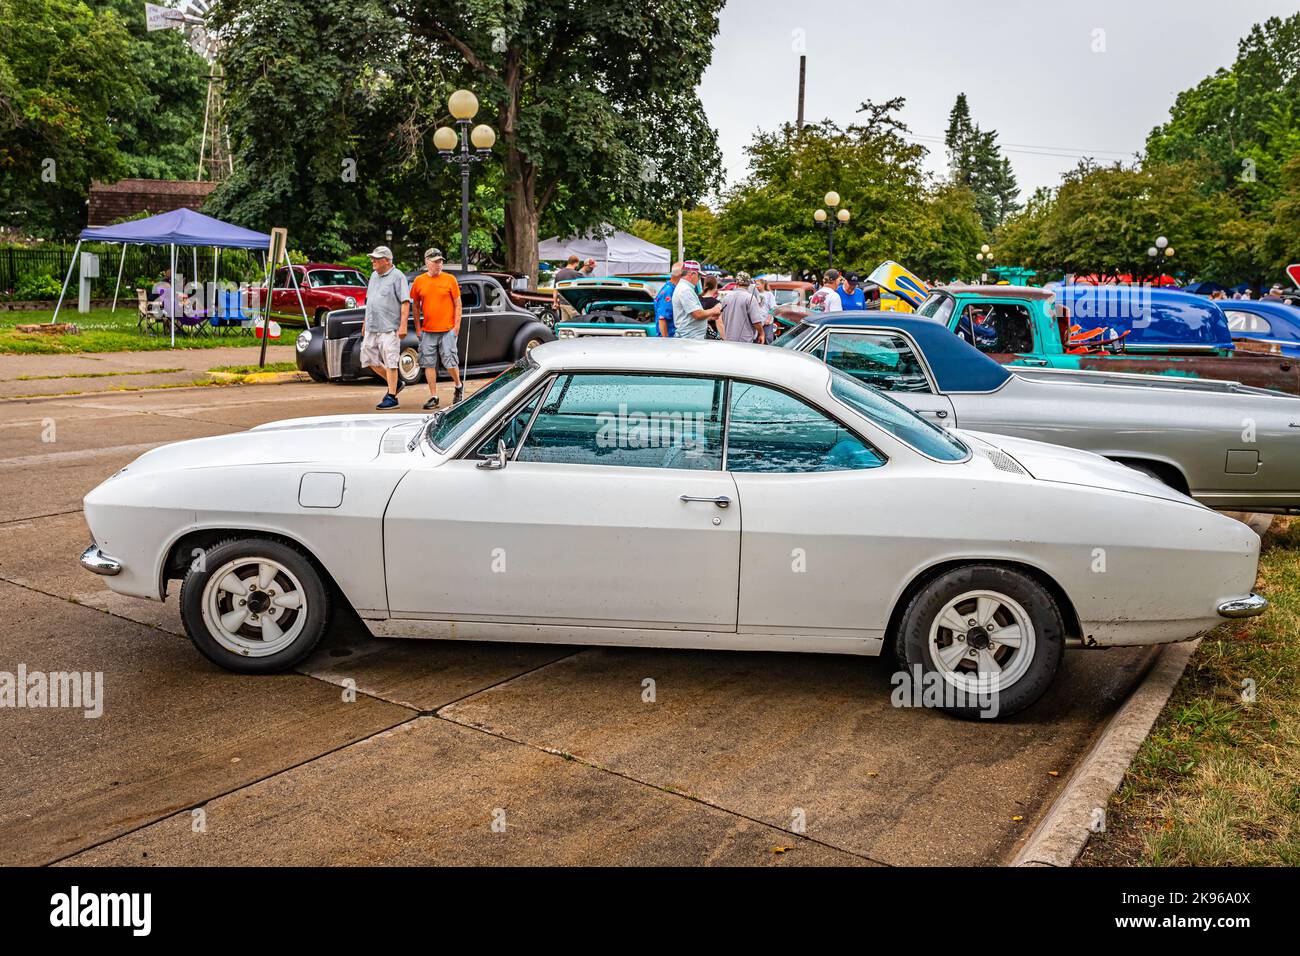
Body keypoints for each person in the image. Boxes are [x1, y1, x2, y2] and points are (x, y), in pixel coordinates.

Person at [408, 247, 463, 410]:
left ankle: (458, 385)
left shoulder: (450, 279)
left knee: (450, 360)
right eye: (435, 262)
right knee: (428, 363)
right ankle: (433, 396)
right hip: (427, 330)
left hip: (447, 329)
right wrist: (418, 328)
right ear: (427, 262)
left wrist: (457, 325)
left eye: (440, 261)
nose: (439, 264)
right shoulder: (419, 281)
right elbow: (416, 307)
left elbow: (458, 303)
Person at [361, 245, 410, 410]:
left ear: (387, 261)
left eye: (376, 258)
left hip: (390, 328)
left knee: (391, 362)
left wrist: (403, 325)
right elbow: (370, 302)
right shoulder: (374, 276)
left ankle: (392, 396)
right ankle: (396, 384)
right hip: (371, 326)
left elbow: (405, 302)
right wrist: (364, 323)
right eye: (372, 258)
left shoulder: (398, 277)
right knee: (368, 359)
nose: (372, 261)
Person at [672, 260, 721, 339]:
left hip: (690, 336)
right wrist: (714, 310)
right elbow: (697, 314)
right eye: (699, 276)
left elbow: (689, 317)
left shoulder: (684, 288)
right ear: (692, 274)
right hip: (690, 338)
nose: (699, 279)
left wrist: (708, 317)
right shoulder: (685, 290)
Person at [720, 272, 766, 343]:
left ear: (736, 283)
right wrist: (762, 333)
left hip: (728, 338)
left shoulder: (726, 297)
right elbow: (756, 321)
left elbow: (722, 318)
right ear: (748, 284)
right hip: (744, 341)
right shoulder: (750, 298)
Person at [655, 262, 682, 337]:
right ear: (680, 276)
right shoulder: (668, 291)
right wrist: (666, 341)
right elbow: (662, 318)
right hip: (669, 339)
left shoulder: (673, 289)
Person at [754, 277, 778, 343]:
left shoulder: (769, 294)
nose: (756, 286)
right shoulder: (754, 294)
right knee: (756, 339)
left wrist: (768, 319)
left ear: (763, 284)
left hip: (766, 322)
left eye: (757, 284)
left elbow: (773, 308)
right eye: (755, 284)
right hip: (757, 321)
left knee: (767, 339)